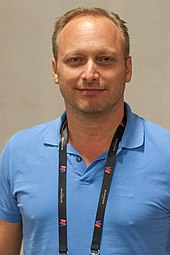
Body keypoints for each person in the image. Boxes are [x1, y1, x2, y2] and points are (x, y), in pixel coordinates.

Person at [0, 7, 170, 255]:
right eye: (75, 60)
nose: (90, 74)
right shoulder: (18, 151)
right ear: (56, 70)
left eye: (105, 59)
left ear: (128, 69)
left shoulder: (166, 154)